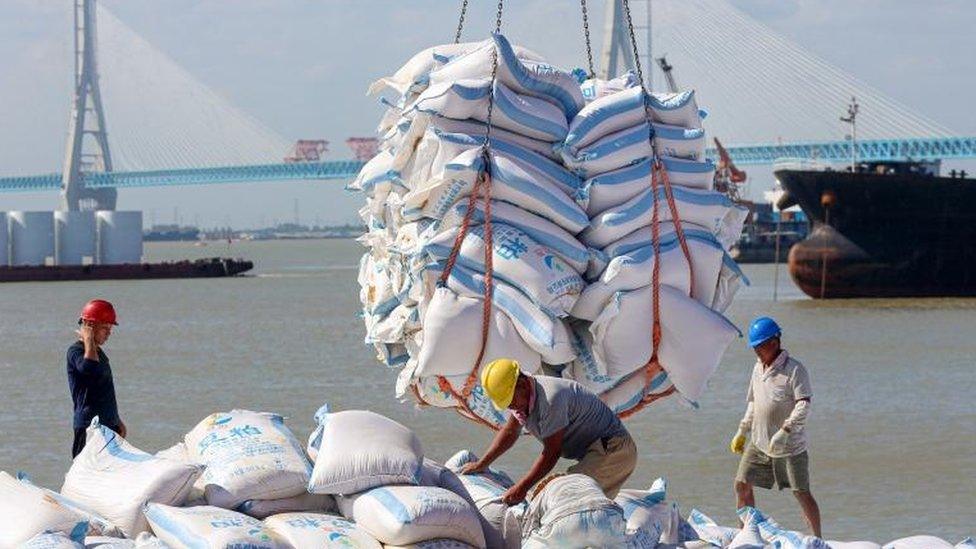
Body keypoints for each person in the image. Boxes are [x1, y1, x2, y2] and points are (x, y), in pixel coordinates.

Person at [459, 358, 636, 504]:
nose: (510, 406)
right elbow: (510, 432)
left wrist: (521, 489)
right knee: (555, 497)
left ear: (522, 383)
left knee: (567, 499)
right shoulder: (523, 399)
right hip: (596, 452)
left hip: (614, 451)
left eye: (510, 400)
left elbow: (552, 453)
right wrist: (481, 464)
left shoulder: (551, 399)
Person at [730, 316, 821, 537]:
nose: (756, 352)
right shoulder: (757, 369)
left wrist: (785, 430)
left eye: (759, 346)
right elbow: (754, 402)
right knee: (741, 484)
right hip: (759, 442)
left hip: (789, 446)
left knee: (801, 493)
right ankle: (746, 534)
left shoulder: (795, 370)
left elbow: (804, 405)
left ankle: (817, 538)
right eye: (754, 348)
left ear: (774, 342)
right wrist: (742, 430)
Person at [68, 299, 125, 458]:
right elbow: (90, 368)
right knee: (87, 475)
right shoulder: (75, 351)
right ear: (89, 326)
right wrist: (87, 339)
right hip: (89, 427)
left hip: (107, 425)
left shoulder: (98, 353)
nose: (109, 333)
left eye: (110, 328)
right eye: (105, 328)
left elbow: (102, 389)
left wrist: (116, 420)